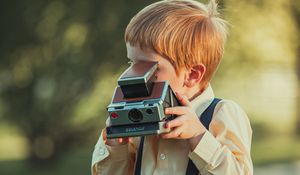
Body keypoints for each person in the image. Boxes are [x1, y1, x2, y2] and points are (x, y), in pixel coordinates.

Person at [91, 0, 253, 174]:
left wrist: (198, 137)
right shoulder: (139, 124)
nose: (135, 76)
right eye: (132, 63)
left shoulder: (222, 114)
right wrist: (115, 145)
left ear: (192, 75)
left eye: (149, 68)